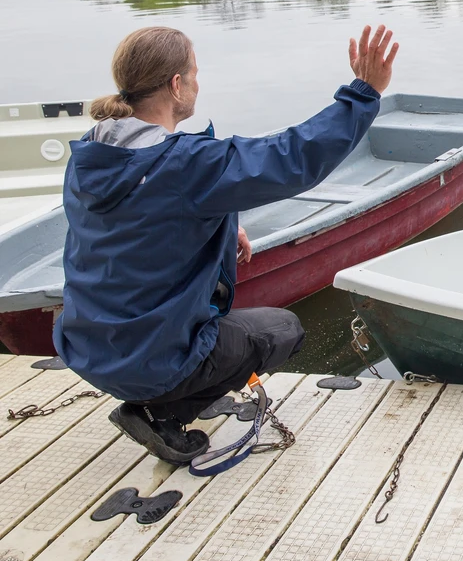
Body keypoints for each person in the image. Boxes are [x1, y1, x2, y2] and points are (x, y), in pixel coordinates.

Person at [55, 23, 398, 465]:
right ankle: (162, 412)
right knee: (283, 331)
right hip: (148, 360)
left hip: (85, 348)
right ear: (176, 85)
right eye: (194, 73)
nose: (198, 83)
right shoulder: (185, 165)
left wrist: (223, 220)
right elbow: (293, 156)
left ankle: (167, 389)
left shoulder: (93, 152)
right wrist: (364, 92)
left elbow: (145, 217)